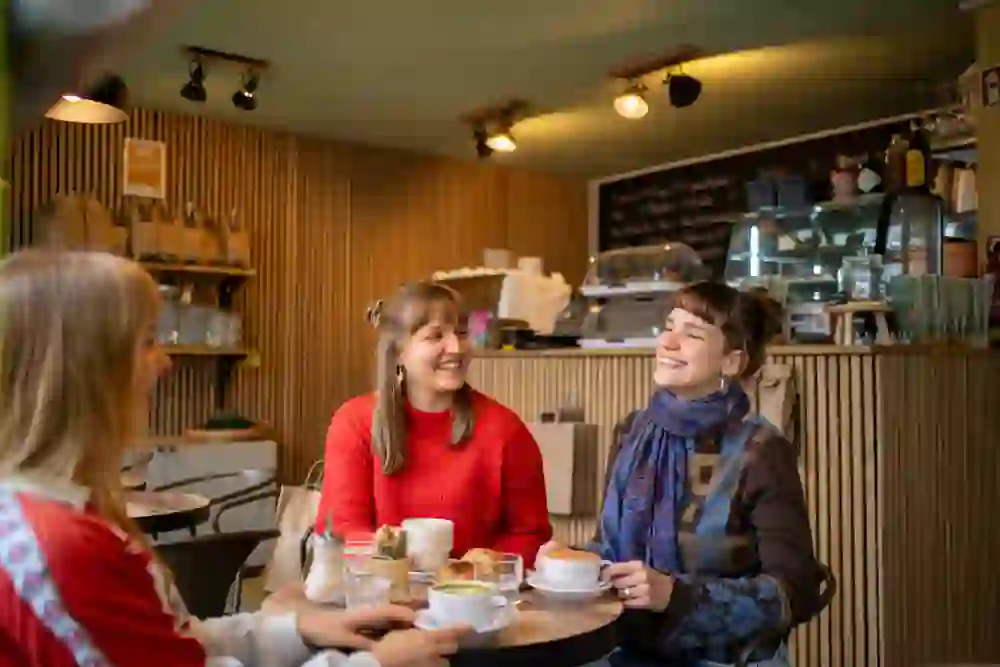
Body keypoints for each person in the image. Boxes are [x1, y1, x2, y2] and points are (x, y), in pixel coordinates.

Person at [0, 250, 466, 667]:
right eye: (145, 342)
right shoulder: (62, 548)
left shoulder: (54, 514)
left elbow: (178, 643)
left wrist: (302, 631)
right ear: (84, 369)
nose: (164, 361)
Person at [539, 282, 822, 667]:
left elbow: (796, 593)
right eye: (669, 326)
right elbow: (610, 550)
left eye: (692, 334)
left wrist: (676, 595)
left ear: (731, 362)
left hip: (726, 659)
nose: (668, 342)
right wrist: (569, 562)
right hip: (626, 649)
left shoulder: (761, 450)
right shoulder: (632, 432)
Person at [317, 282, 552, 567]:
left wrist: (484, 565)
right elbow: (342, 531)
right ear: (399, 351)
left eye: (462, 333)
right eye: (435, 336)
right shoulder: (354, 422)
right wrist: (399, 565)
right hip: (378, 595)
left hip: (473, 599)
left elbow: (530, 533)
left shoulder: (505, 429)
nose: (456, 348)